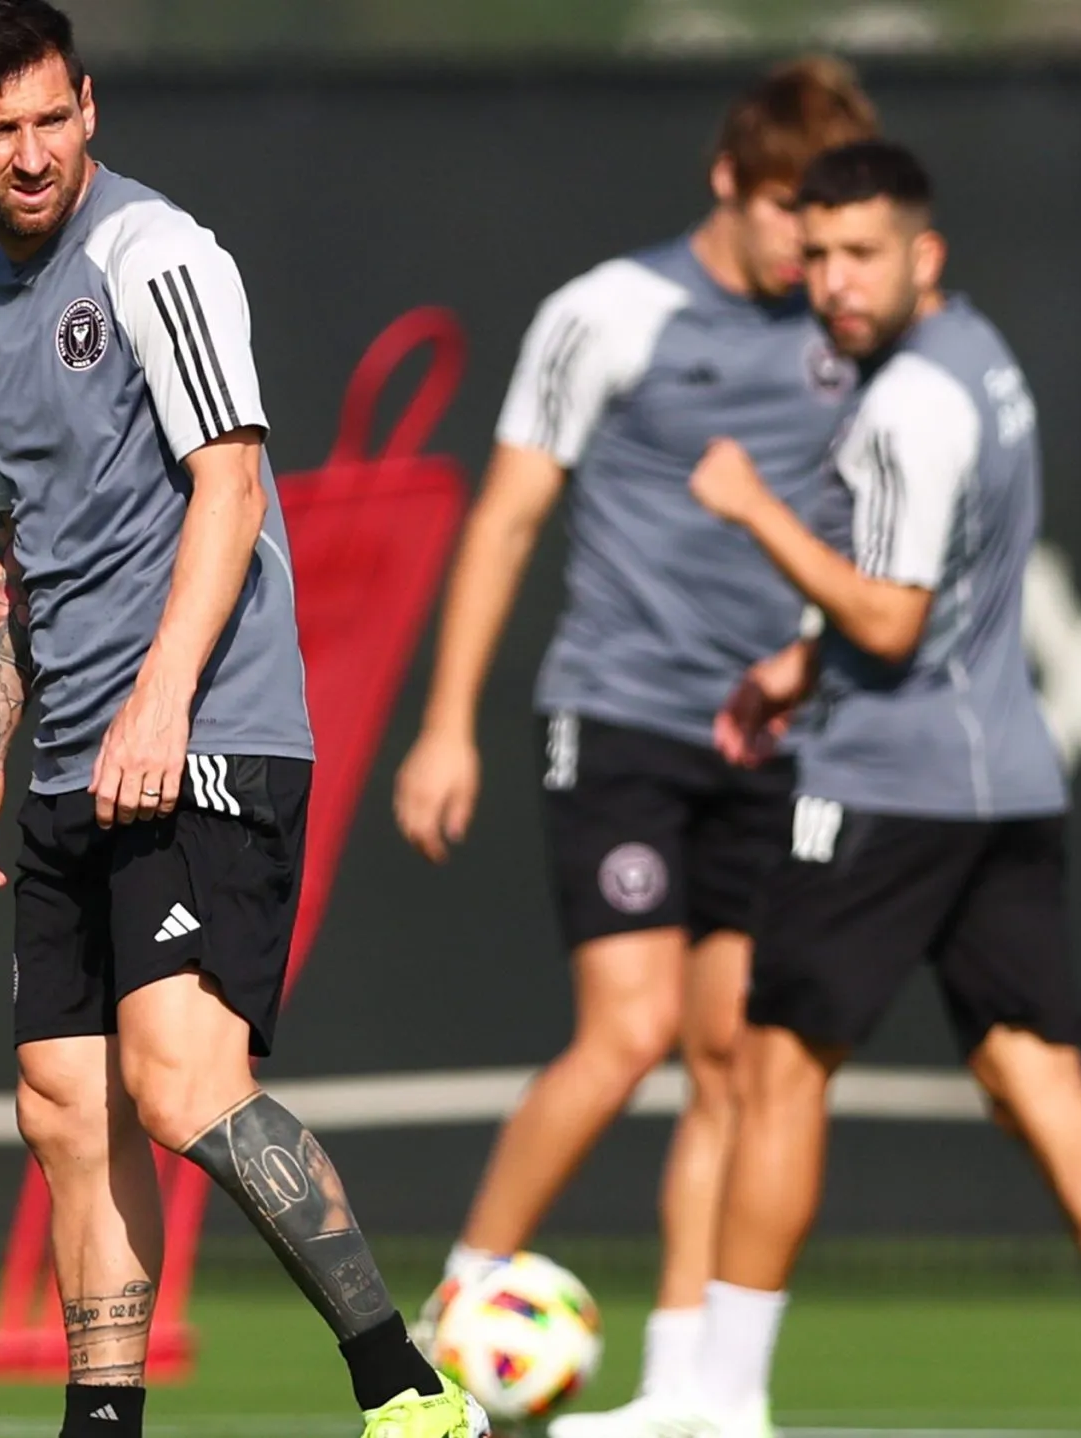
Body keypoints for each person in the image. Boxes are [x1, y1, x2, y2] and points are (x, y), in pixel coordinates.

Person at [0, 6, 483, 1438]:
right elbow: (11, 550)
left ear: (89, 108)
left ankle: (409, 1392)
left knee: (180, 1083)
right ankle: (103, 1422)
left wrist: (160, 699)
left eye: (53, 117)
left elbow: (228, 485)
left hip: (204, 731)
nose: (32, 152)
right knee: (65, 1104)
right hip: (65, 752)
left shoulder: (158, 254)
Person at [680, 140, 1081, 1438]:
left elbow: (891, 618)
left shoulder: (905, 407)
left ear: (923, 254)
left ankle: (719, 1400)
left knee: (774, 1072)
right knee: (1033, 1075)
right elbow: (934, 597)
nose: (834, 280)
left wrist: (754, 509)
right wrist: (792, 665)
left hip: (891, 787)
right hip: (1004, 780)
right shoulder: (982, 359)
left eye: (861, 253)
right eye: (816, 255)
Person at [389, 58, 878, 1434]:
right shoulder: (608, 313)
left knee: (733, 1061)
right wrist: (444, 725)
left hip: (772, 743)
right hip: (617, 718)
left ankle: (690, 1387)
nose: (811, 245)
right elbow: (505, 519)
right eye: (792, 210)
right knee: (632, 1029)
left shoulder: (858, 330)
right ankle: (456, 1306)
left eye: (835, 218)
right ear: (730, 181)